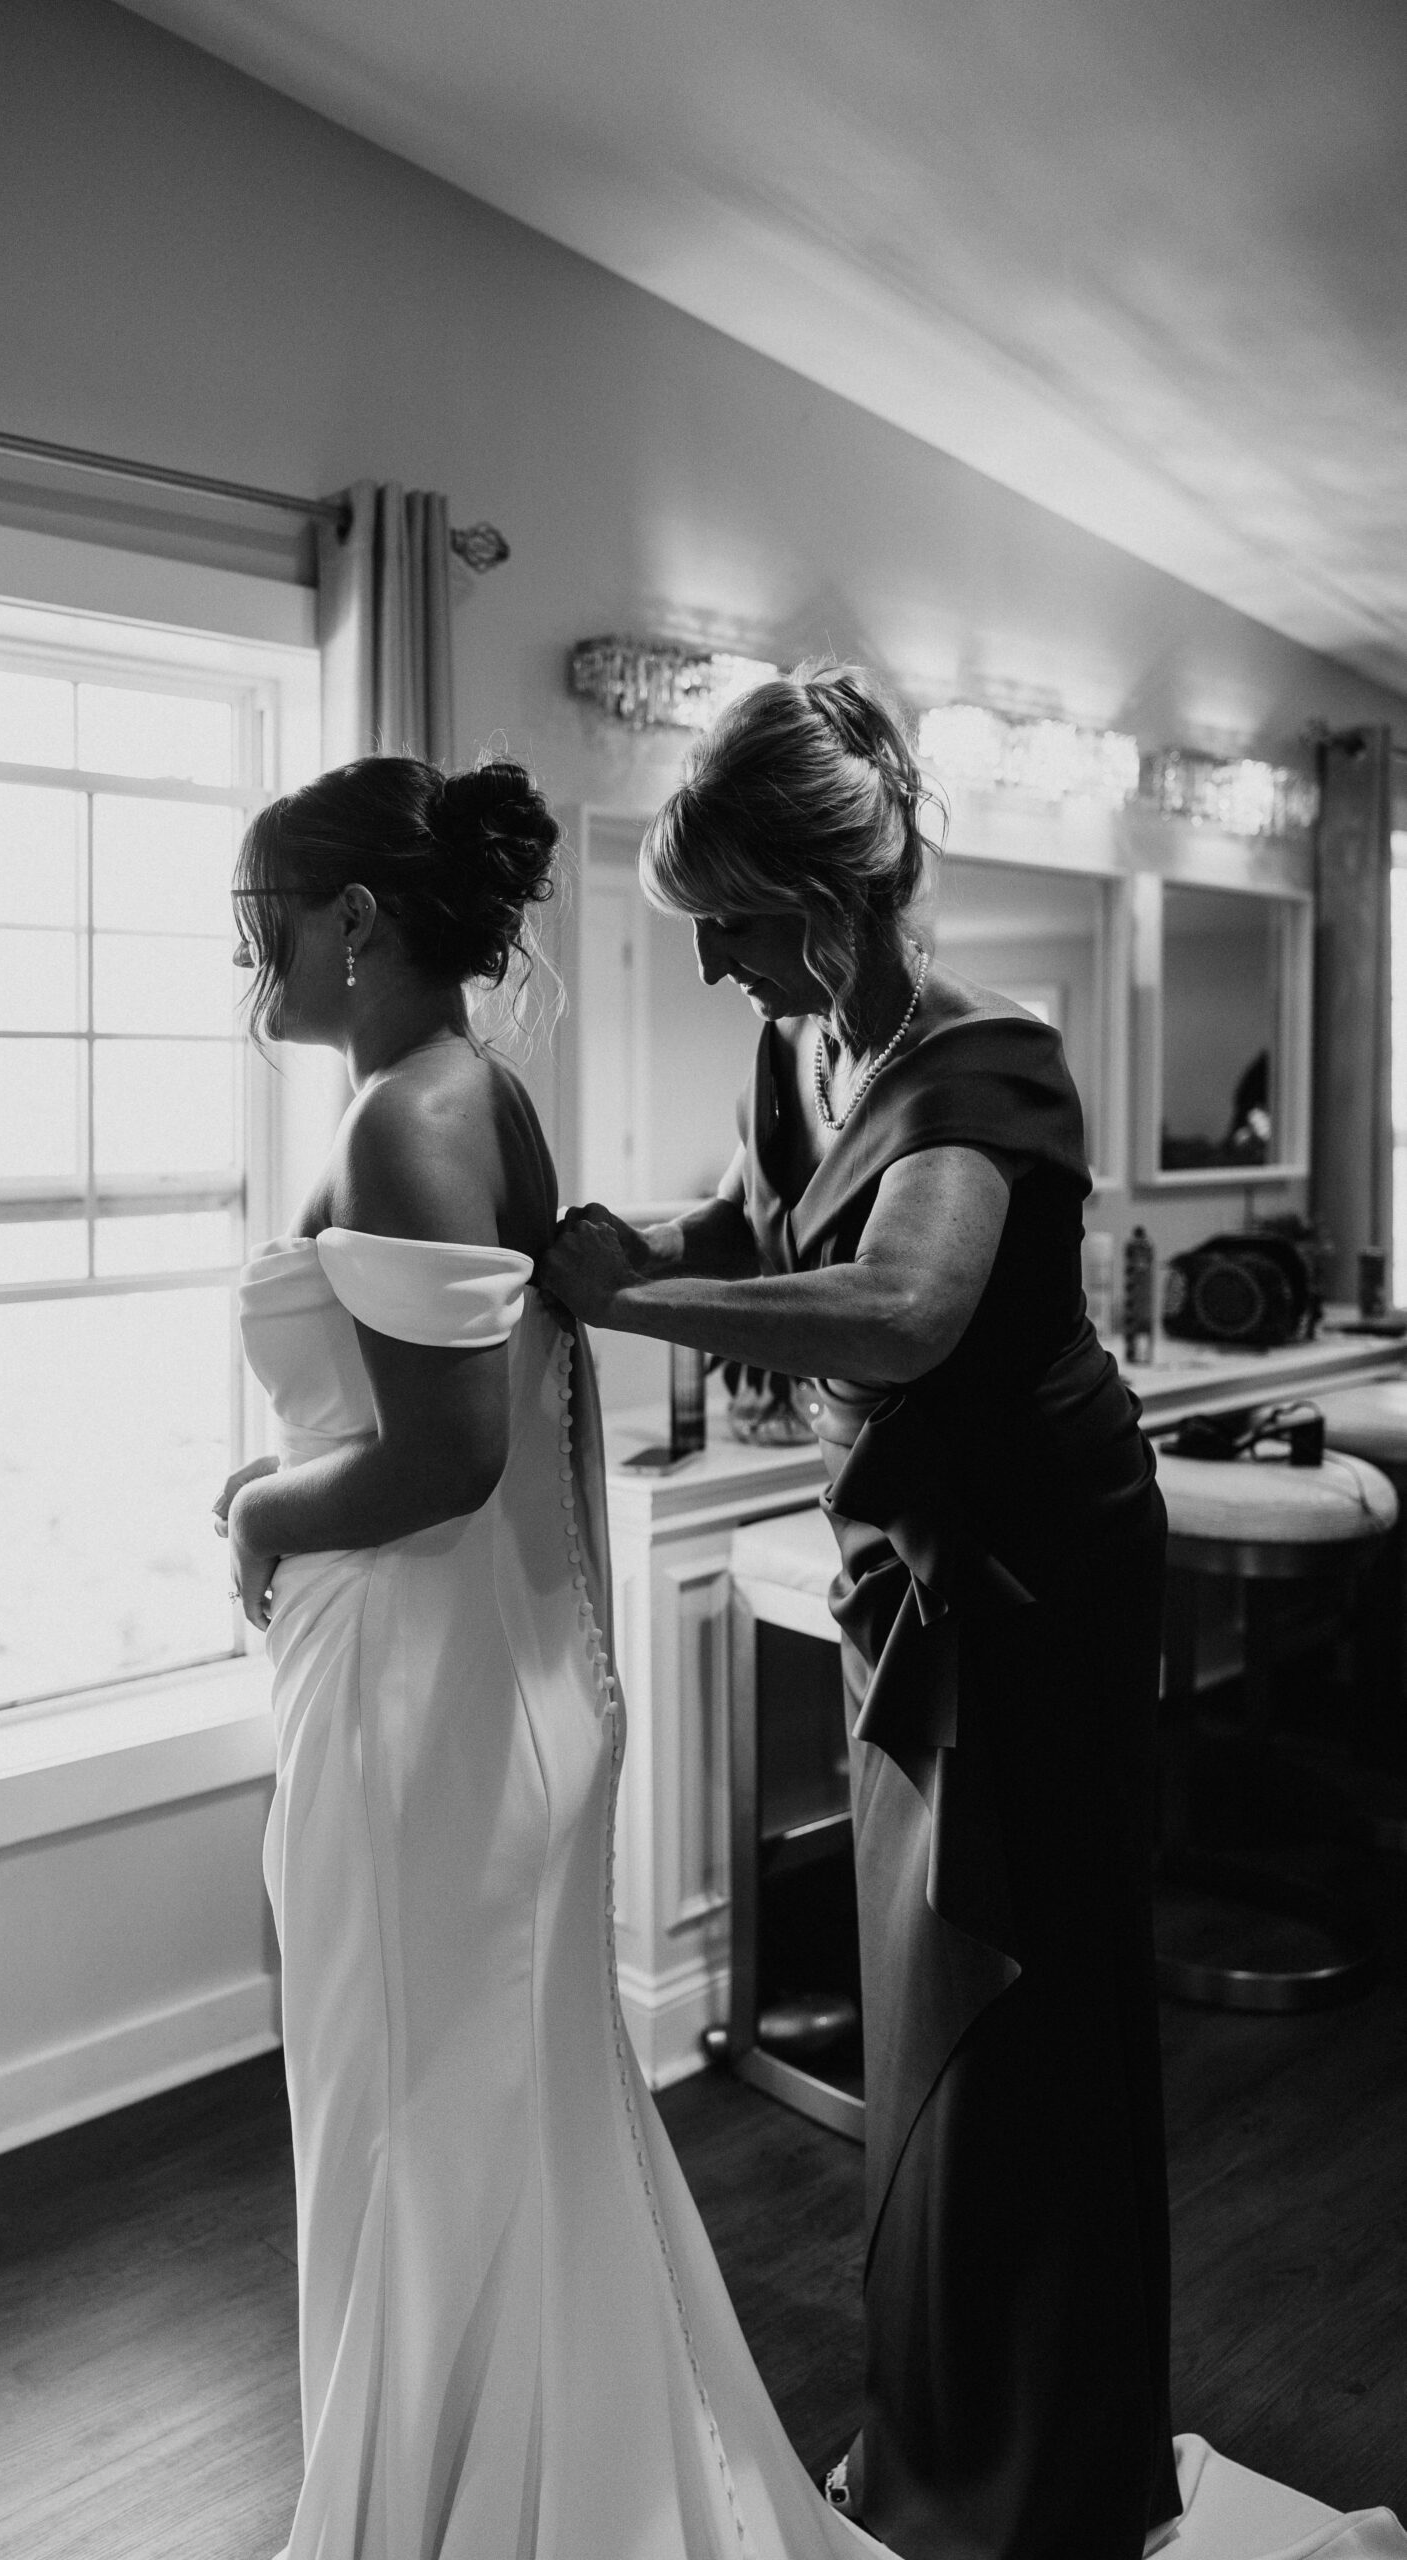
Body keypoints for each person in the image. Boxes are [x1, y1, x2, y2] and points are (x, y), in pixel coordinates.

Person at [538, 663, 1180, 2560]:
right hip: (908, 1563)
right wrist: (607, 1250)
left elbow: (906, 1307)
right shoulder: (796, 1052)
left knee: (1030, 2013)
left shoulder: (994, 1065)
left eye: (731, 922)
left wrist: (634, 1310)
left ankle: (1046, 2484)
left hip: (1041, 1581)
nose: (716, 960)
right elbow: (756, 1230)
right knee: (927, 2014)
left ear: (817, 901)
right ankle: (943, 2443)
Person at [218, 754, 871, 2560]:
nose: (251, 951)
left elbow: (450, 1454)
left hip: (422, 1700)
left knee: (413, 2128)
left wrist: (264, 1513)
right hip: (481, 1677)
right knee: (475, 2129)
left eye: (264, 914)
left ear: (356, 921)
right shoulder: (476, 1094)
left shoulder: (399, 1118)